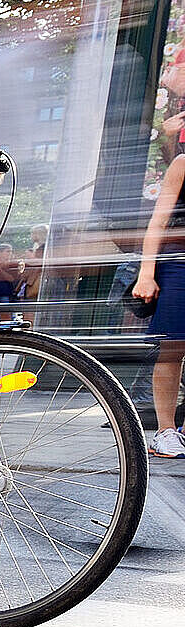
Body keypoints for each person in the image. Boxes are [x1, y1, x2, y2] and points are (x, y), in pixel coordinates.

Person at [130, 49, 185, 456]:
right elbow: (157, 223)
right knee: (173, 350)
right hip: (179, 268)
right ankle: (166, 431)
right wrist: (146, 273)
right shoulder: (182, 164)